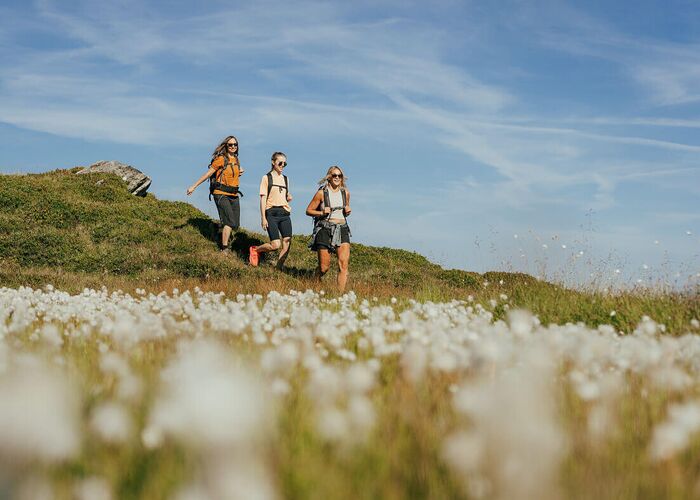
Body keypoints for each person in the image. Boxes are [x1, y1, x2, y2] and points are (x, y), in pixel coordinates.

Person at [187, 135, 244, 253]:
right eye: (230, 145)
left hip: (233, 195)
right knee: (229, 222)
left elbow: (231, 174)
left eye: (235, 145)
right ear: (226, 146)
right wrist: (194, 186)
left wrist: (239, 172)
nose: (233, 146)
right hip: (221, 193)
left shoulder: (236, 160)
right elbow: (208, 174)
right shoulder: (221, 159)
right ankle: (224, 248)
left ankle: (218, 229)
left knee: (235, 225)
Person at [306, 165, 352, 292]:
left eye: (339, 176)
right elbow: (308, 210)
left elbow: (345, 210)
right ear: (329, 177)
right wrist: (321, 213)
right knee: (324, 268)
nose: (337, 178)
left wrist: (347, 211)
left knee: (343, 265)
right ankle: (314, 280)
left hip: (342, 228)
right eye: (334, 175)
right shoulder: (321, 193)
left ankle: (339, 296)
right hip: (325, 229)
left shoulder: (346, 193)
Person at [249, 152, 293, 268]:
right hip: (271, 214)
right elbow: (263, 199)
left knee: (287, 241)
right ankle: (256, 250)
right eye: (280, 162)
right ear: (273, 162)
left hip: (284, 213)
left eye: (285, 163)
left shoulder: (286, 179)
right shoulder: (266, 178)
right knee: (275, 245)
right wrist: (263, 218)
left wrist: (288, 196)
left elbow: (285, 194)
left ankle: (279, 267)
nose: (282, 165)